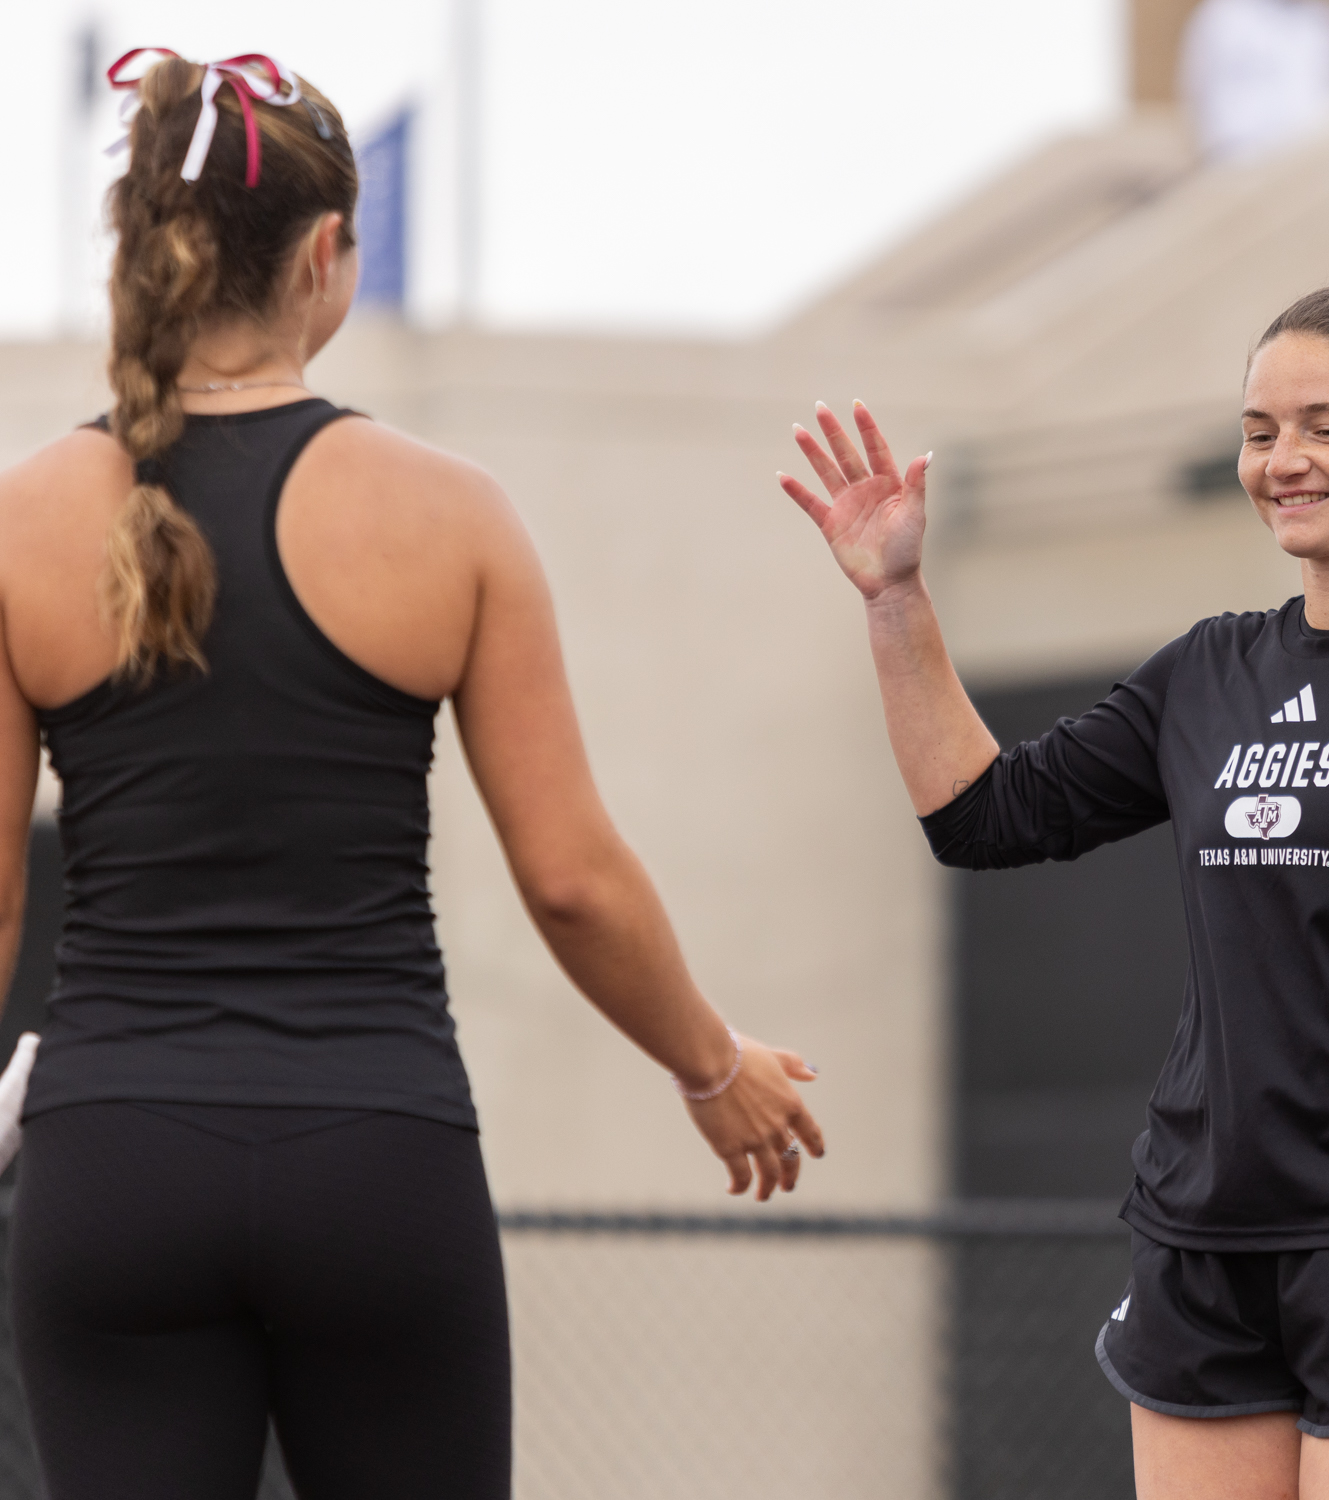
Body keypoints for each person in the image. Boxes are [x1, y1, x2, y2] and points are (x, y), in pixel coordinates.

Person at [0, 49, 822, 1500]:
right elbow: (570, 881)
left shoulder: (22, 518)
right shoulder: (449, 514)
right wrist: (713, 1063)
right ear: (328, 257)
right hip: (371, 1161)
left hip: (110, 1162)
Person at [778, 285, 1329, 1498]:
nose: (1283, 461)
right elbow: (981, 816)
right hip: (1200, 1248)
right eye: (1260, 432)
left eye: (1326, 426)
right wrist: (893, 598)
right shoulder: (1207, 671)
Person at [1179, 0, 1329, 164]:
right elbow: (1197, 90)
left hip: (1312, 158)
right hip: (1241, 158)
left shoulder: (1325, 21)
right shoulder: (1224, 16)